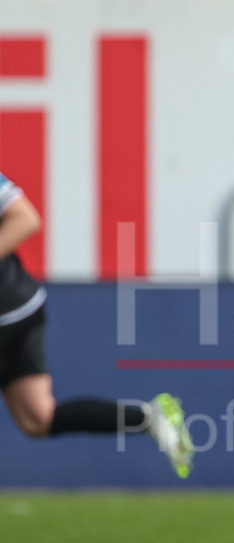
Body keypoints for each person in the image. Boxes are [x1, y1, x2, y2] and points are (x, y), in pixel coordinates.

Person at [0, 172, 195, 478]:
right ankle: (149, 418)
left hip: (9, 310)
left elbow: (25, 219)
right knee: (37, 418)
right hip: (19, 308)